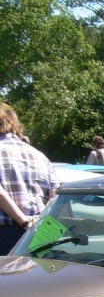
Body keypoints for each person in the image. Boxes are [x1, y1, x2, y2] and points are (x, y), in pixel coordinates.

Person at [0, 103, 57, 255]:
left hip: (5, 232)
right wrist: (41, 226)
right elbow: (55, 196)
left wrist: (24, 222)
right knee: (35, 277)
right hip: (41, 232)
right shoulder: (40, 156)